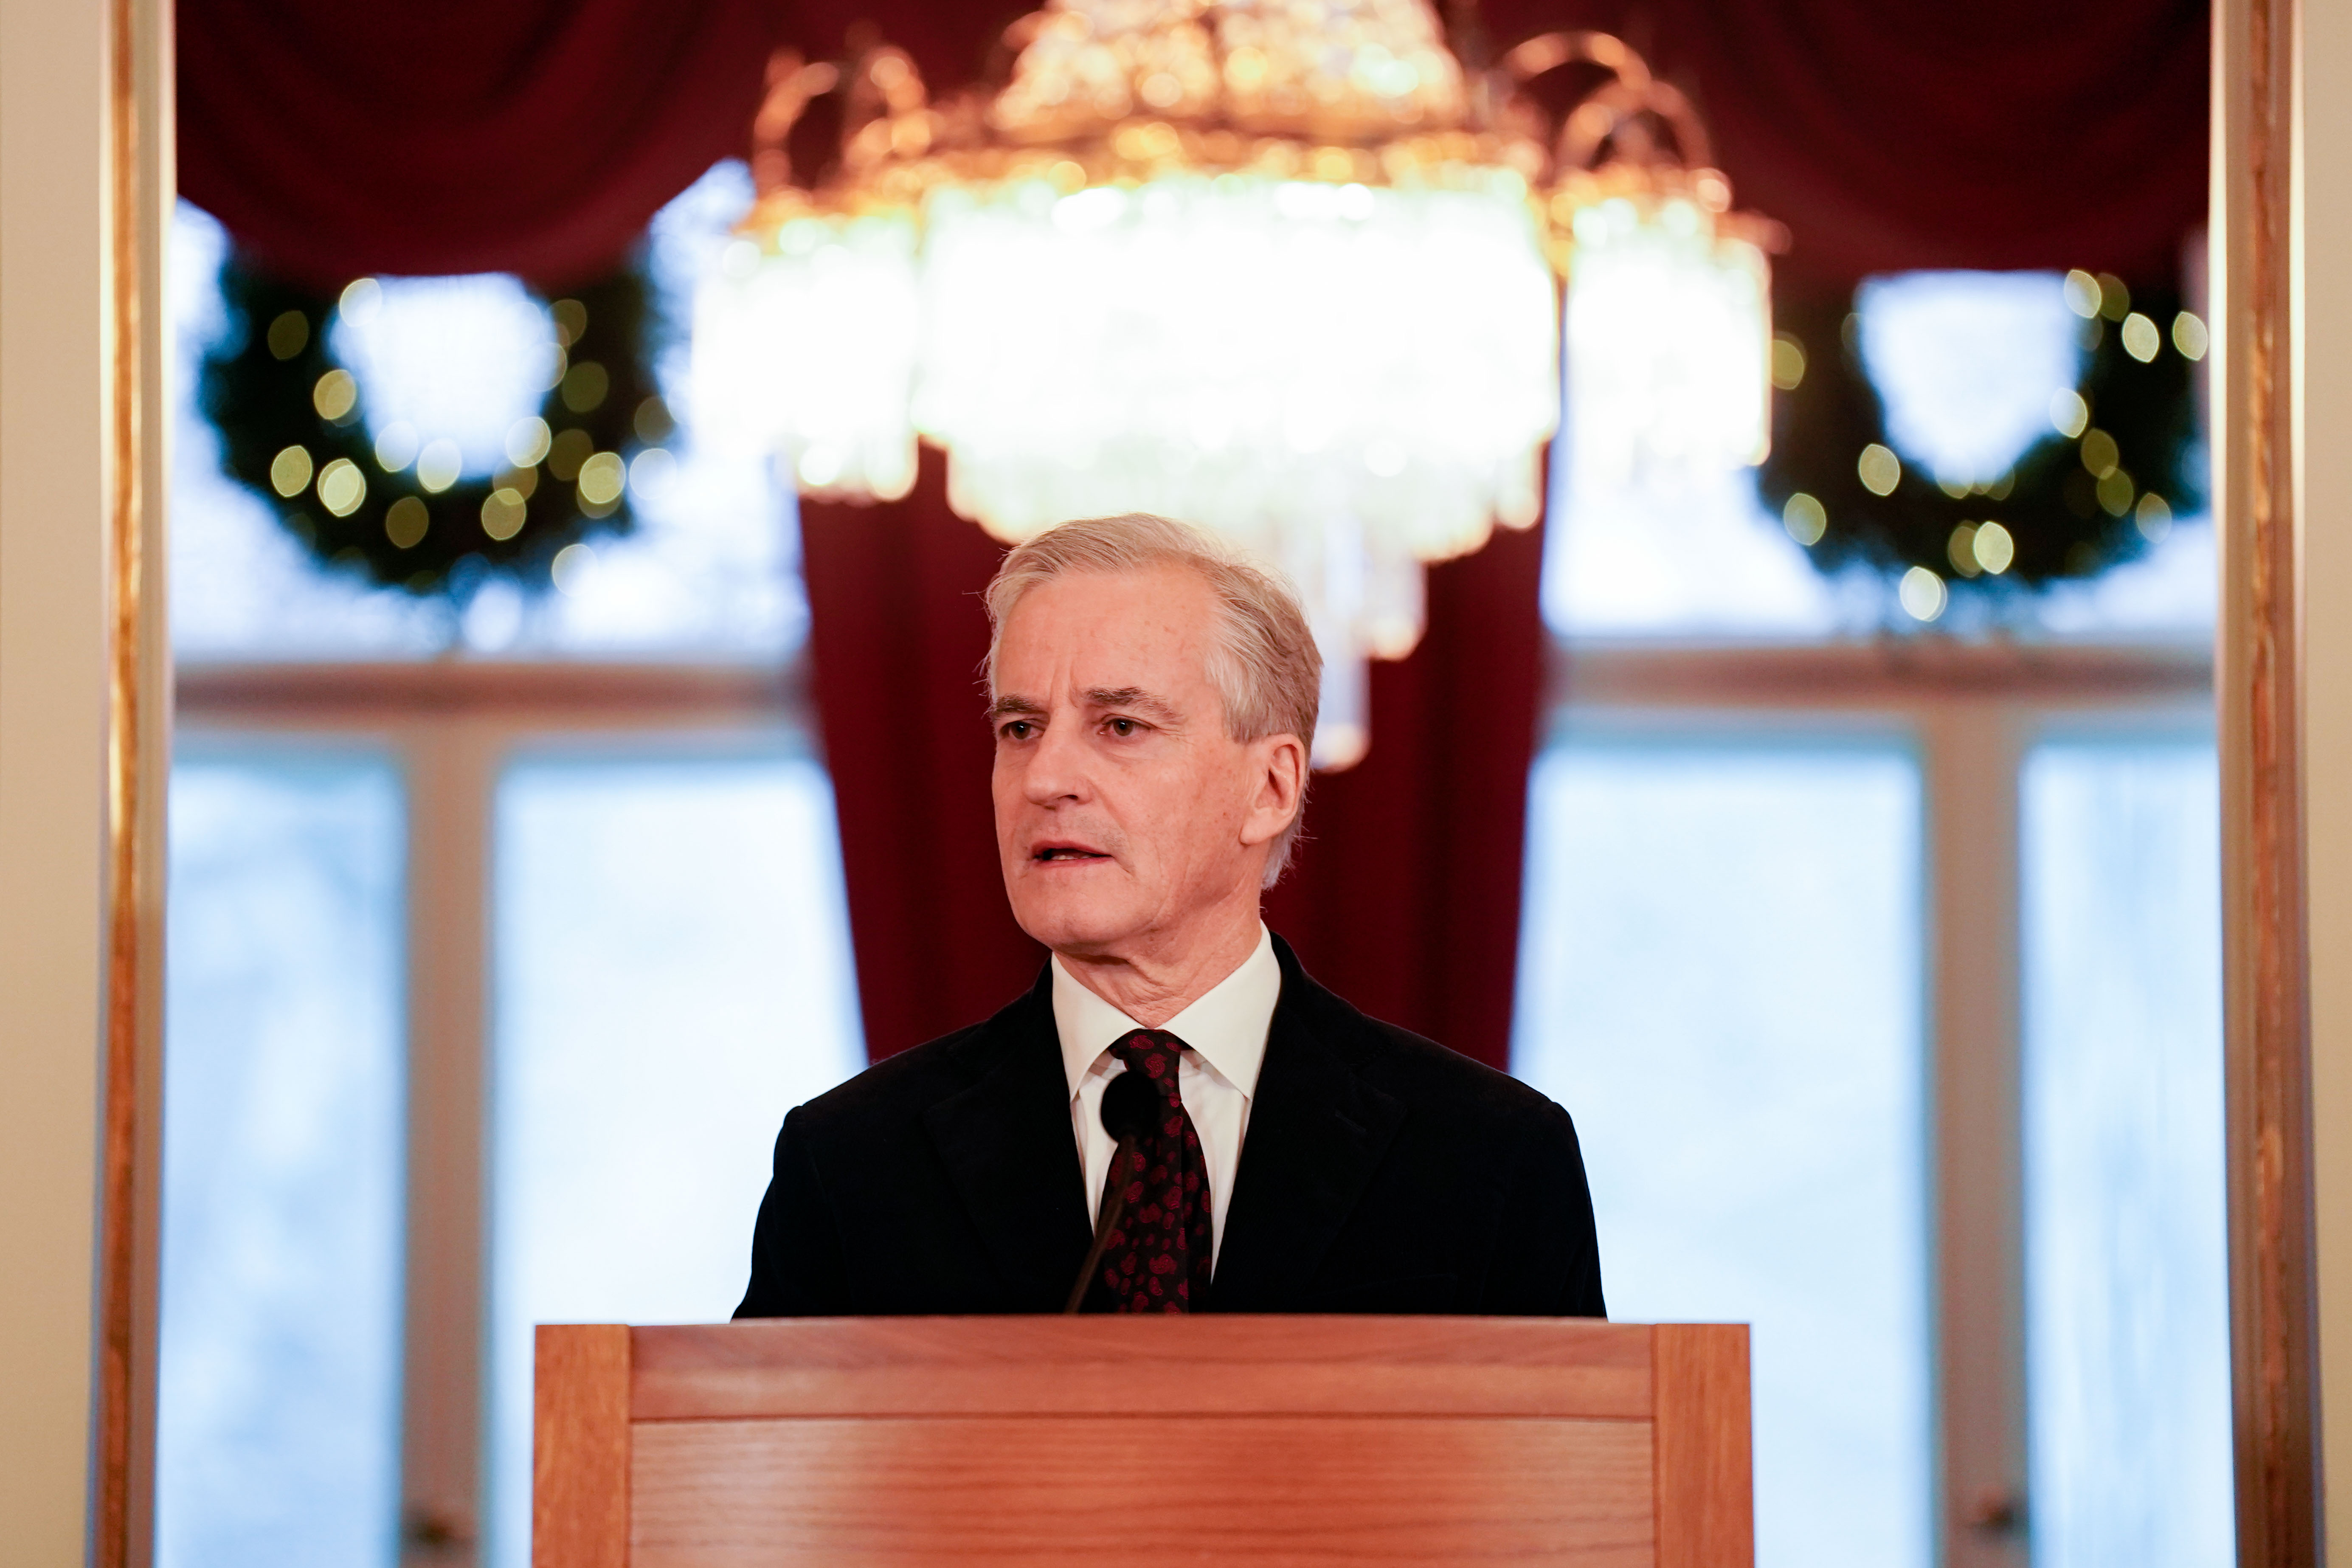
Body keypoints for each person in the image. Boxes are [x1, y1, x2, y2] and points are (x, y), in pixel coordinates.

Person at [737, 513, 1604, 1316]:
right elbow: (759, 1479)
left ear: (1269, 787)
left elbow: (1572, 1482)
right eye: (1020, 728)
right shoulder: (849, 1165)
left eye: (1118, 724)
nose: (1045, 780)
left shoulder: (1491, 1158)